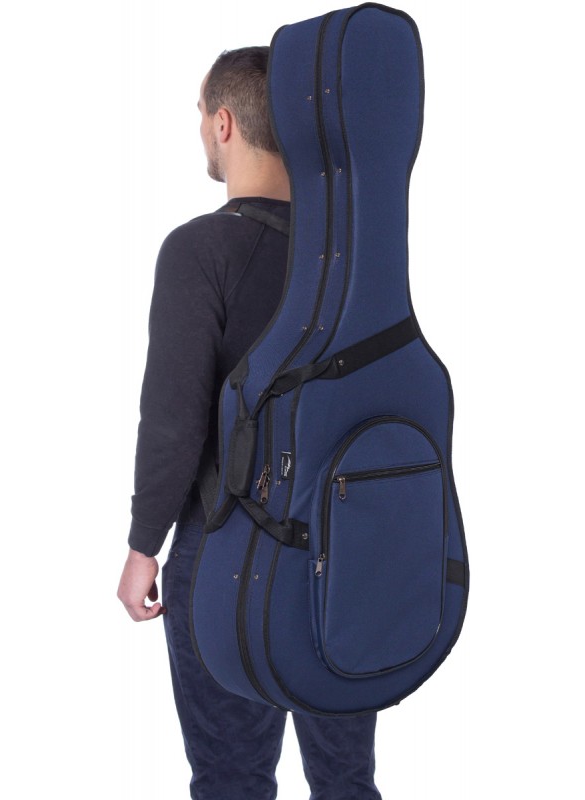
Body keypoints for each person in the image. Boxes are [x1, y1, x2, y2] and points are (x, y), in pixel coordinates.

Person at [116, 47, 383, 800]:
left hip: (228, 547)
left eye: (201, 112)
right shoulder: (357, 255)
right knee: (345, 779)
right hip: (345, 548)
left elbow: (173, 419)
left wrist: (143, 545)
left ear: (224, 123)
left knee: (232, 779)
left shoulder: (201, 250)